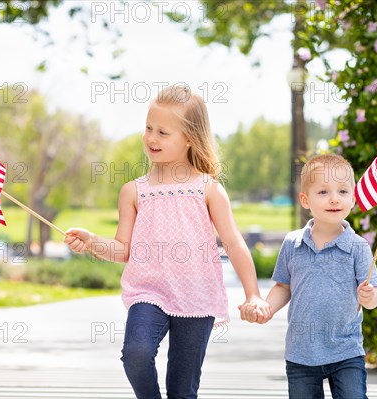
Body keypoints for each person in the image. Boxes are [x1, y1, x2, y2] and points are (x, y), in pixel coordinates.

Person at [64, 85, 271, 399]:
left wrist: (253, 293)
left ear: (190, 138)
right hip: (148, 292)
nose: (151, 138)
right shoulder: (133, 192)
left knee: (182, 389)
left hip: (197, 297)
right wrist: (92, 241)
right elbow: (123, 250)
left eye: (163, 132)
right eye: (148, 128)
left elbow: (234, 243)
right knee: (136, 353)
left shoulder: (209, 189)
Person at [240, 154, 377, 399]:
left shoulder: (358, 247)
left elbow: (373, 298)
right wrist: (267, 308)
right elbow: (284, 285)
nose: (335, 198)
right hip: (301, 352)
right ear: (305, 200)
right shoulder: (293, 243)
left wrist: (369, 297)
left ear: (353, 197)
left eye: (343, 191)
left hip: (345, 350)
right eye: (323, 192)